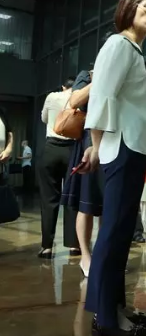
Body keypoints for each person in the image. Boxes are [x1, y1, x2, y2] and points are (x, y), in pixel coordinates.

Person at [79, 0, 146, 336]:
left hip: (132, 147)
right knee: (113, 233)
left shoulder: (133, 50)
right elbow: (101, 96)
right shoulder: (118, 45)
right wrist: (96, 145)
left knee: (122, 232)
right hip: (120, 147)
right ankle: (106, 317)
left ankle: (114, 309)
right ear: (128, 8)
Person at [60, 68, 102, 278]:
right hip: (89, 140)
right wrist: (99, 79)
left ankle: (103, 255)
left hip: (113, 139)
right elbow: (74, 101)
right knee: (86, 204)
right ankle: (85, 256)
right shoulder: (88, 74)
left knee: (107, 206)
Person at [37, 78, 80, 259]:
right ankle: (74, 245)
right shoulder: (82, 97)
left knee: (49, 199)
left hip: (51, 149)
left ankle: (47, 247)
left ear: (63, 86)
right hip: (72, 151)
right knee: (72, 197)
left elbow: (44, 118)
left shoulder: (52, 96)